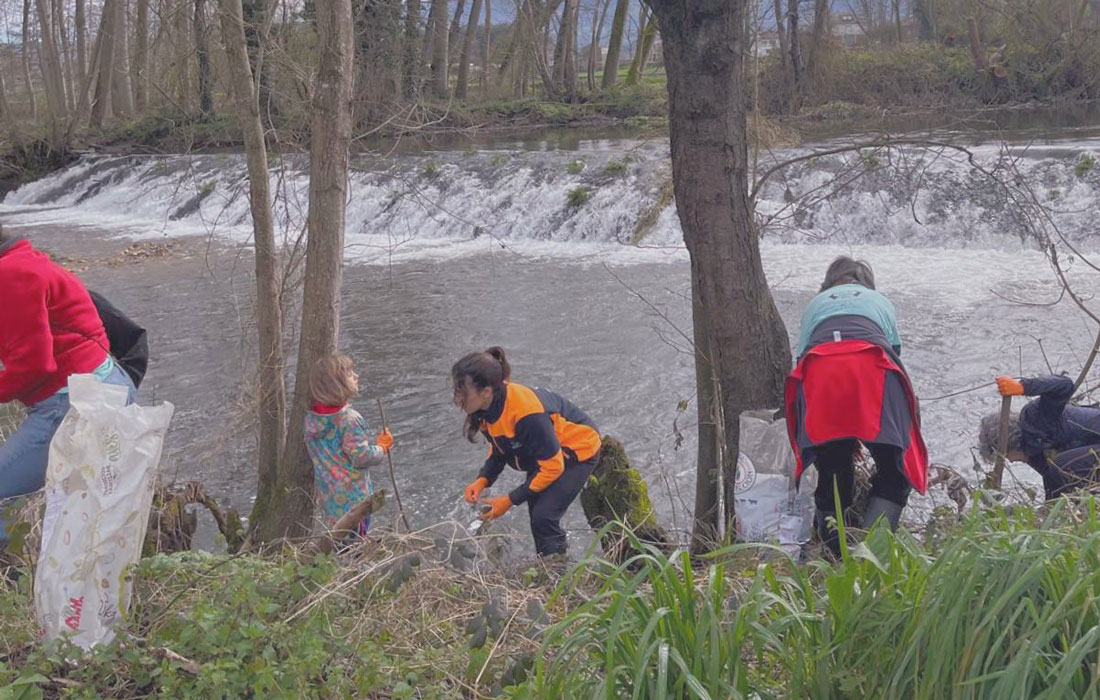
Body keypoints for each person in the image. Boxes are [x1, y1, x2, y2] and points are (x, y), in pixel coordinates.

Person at [0, 228, 137, 547]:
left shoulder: (11, 275)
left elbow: (35, 366)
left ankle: (16, 574)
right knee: (88, 513)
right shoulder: (25, 262)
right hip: (105, 387)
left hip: (73, 404)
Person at [784, 256, 929, 554]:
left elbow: (803, 357)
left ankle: (833, 553)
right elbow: (892, 353)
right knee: (894, 465)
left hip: (821, 373)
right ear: (866, 283)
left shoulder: (815, 304)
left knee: (831, 465)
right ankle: (872, 554)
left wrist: (845, 431)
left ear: (828, 282)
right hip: (873, 369)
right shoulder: (879, 301)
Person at [453, 347, 601, 557]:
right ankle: (547, 561)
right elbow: (499, 450)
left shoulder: (526, 414)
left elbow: (553, 467)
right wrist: (482, 480)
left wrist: (509, 500)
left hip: (577, 449)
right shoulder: (487, 409)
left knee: (544, 515)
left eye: (462, 392)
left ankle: (556, 570)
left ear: (486, 391)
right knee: (536, 510)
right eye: (456, 390)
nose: (457, 398)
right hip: (543, 451)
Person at [304, 355, 394, 536]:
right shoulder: (349, 419)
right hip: (355, 500)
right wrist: (382, 448)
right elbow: (360, 456)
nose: (356, 376)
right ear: (336, 384)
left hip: (330, 500)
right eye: (350, 374)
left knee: (341, 540)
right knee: (356, 540)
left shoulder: (311, 419)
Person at [979, 374, 1100, 499]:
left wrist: (1023, 387)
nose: (1010, 461)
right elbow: (1053, 484)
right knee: (1059, 474)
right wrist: (1049, 507)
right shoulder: (1033, 454)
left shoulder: (1035, 418)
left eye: (1006, 456)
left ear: (1010, 443)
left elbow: (1064, 385)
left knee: (1060, 465)